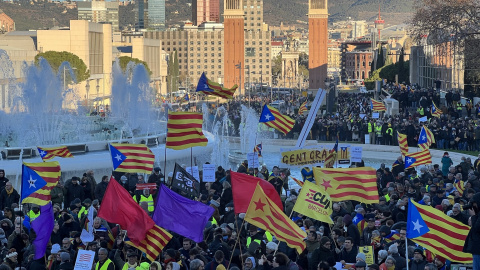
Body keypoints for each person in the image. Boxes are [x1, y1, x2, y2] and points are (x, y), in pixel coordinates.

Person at [463, 193, 480, 270]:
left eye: (474, 203)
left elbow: (476, 228)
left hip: (478, 249)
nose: (473, 206)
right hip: (477, 248)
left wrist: (473, 216)